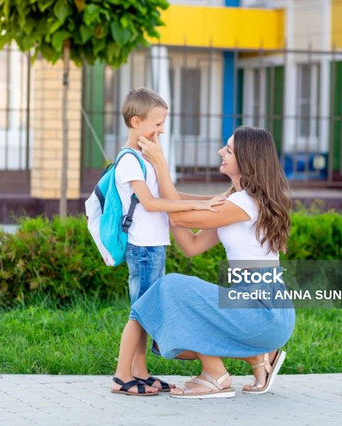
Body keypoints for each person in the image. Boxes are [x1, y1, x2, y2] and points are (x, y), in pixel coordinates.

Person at [120, 126, 295, 399]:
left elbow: (177, 218)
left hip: (263, 311)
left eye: (229, 149)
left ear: (247, 159)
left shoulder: (244, 204)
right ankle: (258, 358)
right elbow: (191, 245)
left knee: (173, 288)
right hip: (264, 311)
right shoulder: (236, 203)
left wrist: (160, 165)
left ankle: (215, 375)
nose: (220, 152)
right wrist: (163, 204)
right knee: (176, 305)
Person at [110, 88, 226, 396]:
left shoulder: (145, 159)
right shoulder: (129, 161)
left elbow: (168, 197)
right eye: (157, 124)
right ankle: (122, 376)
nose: (161, 130)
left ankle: (141, 372)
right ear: (136, 121)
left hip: (153, 246)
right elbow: (150, 203)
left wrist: (208, 200)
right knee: (141, 312)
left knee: (145, 311)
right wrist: (197, 208)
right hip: (143, 248)